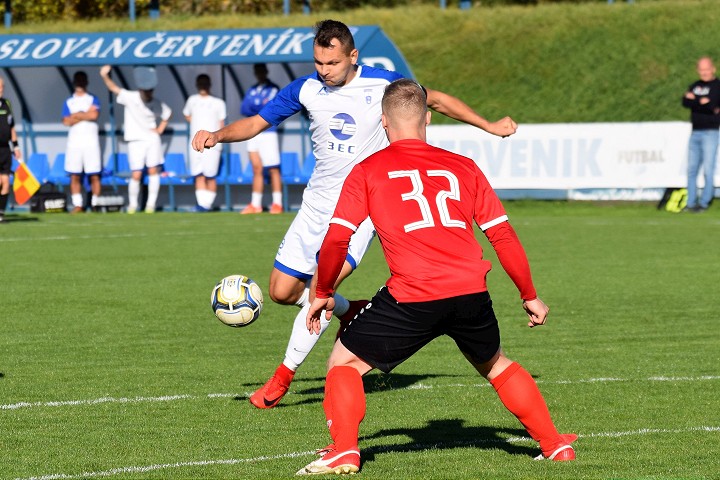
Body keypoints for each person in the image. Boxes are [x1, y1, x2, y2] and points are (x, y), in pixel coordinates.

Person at [192, 19, 517, 410]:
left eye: (331, 62)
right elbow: (257, 123)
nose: (323, 70)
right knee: (281, 292)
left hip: (363, 207)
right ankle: (349, 310)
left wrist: (489, 125)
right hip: (316, 204)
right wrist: (217, 135)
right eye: (318, 62)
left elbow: (436, 100)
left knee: (318, 288)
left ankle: (282, 377)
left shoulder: (383, 84)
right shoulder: (306, 89)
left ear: (353, 55)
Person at [297, 79, 576, 475]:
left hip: (413, 295)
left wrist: (323, 291)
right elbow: (501, 235)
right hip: (470, 292)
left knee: (343, 363)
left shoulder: (367, 170)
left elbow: (338, 237)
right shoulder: (464, 166)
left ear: (383, 122)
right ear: (427, 118)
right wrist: (529, 294)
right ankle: (554, 445)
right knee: (495, 364)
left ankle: (343, 450)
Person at [100, 65, 171, 214]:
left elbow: (167, 113)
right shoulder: (131, 97)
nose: (148, 92)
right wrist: (105, 75)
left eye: (150, 89)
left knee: (153, 171)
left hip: (152, 140)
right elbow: (114, 88)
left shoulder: (157, 103)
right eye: (146, 89)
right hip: (135, 140)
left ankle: (150, 206)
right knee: (136, 173)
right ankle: (133, 205)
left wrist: (159, 129)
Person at [239, 63, 284, 215]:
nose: (259, 73)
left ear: (266, 71)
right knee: (256, 167)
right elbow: (244, 108)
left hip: (268, 131)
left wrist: (256, 106)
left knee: (273, 168)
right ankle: (255, 204)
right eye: (256, 71)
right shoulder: (252, 89)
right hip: (252, 132)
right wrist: (258, 105)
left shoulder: (273, 88)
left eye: (261, 71)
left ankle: (277, 203)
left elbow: (269, 108)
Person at [183, 74, 227, 212]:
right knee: (198, 174)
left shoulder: (218, 102)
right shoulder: (192, 100)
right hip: (195, 143)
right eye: (200, 82)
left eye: (205, 83)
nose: (203, 85)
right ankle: (201, 205)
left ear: (209, 84)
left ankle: (206, 205)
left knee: (210, 175)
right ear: (196, 84)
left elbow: (222, 123)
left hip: (212, 145)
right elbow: (187, 114)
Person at [682, 56, 720, 213]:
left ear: (713, 69)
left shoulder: (718, 86)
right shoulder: (695, 85)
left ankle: (704, 203)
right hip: (695, 132)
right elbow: (685, 102)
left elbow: (713, 106)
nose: (704, 72)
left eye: (707, 69)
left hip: (710, 132)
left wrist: (695, 101)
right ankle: (691, 203)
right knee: (691, 169)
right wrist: (701, 101)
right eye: (701, 69)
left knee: (708, 169)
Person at [62, 71, 102, 214]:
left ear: (86, 81)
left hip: (91, 142)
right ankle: (77, 204)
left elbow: (94, 115)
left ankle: (95, 203)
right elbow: (66, 121)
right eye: (77, 80)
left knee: (94, 175)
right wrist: (85, 114)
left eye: (82, 80)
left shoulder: (92, 98)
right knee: (75, 175)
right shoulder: (69, 101)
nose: (80, 83)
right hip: (75, 143)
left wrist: (77, 115)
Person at [0, 76, 21, 223]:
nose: (0, 90)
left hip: (5, 149)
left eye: (2, 87)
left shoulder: (6, 103)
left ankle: (1, 213)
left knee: (6, 181)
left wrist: (16, 146)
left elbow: (11, 126)